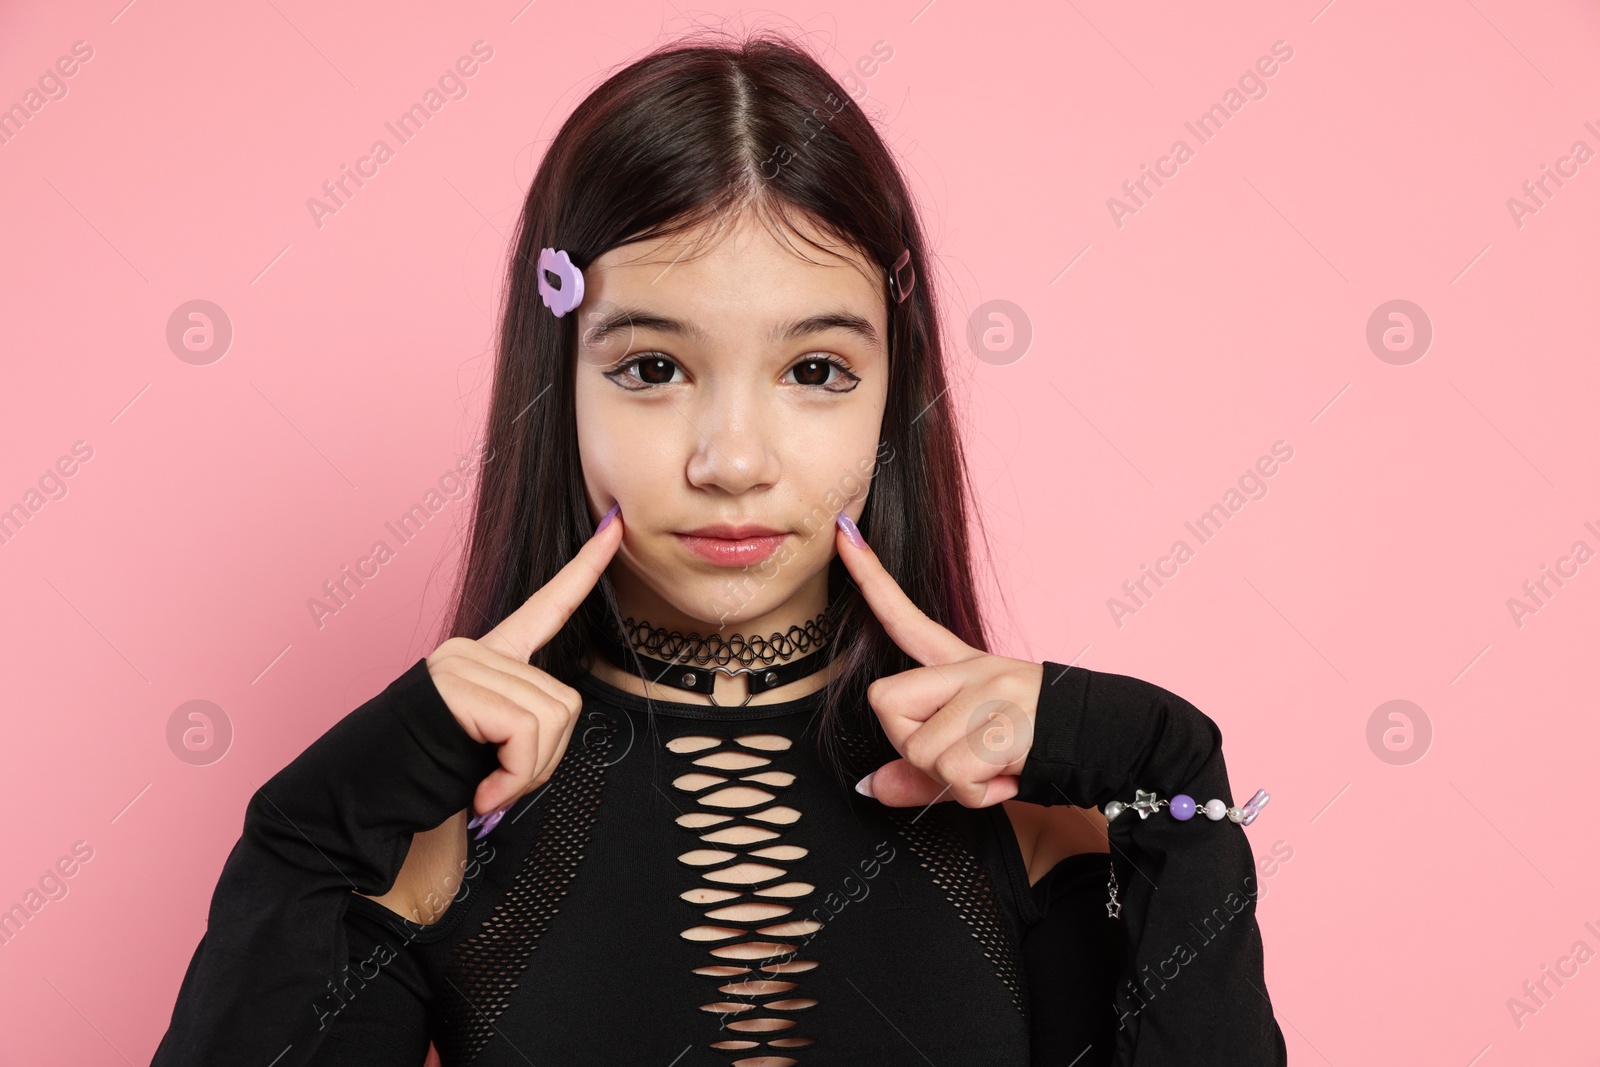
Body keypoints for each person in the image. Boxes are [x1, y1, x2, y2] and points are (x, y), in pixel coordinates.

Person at [152, 30, 1286, 1067]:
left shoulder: (1030, 812)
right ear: (562, 389)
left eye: (814, 370)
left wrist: (1162, 764)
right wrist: (307, 836)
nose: (732, 461)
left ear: (892, 398)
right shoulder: (432, 830)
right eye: (651, 368)